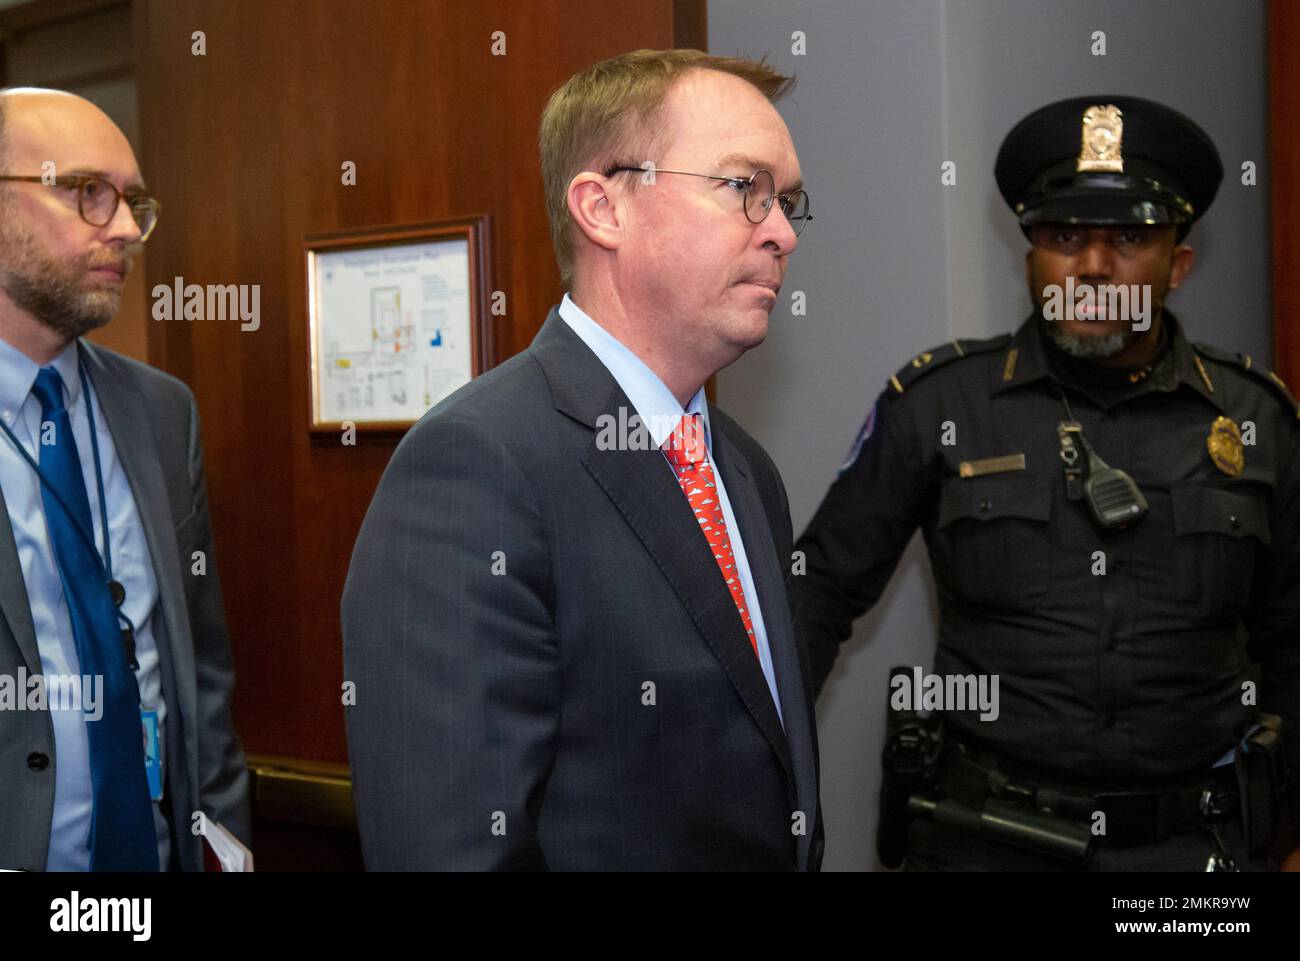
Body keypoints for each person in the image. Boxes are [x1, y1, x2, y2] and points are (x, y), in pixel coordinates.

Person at [343, 49, 822, 870]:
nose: (780, 232)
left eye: (786, 202)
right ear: (604, 208)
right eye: (745, 188)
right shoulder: (476, 465)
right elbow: (450, 847)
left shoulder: (744, 470)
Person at [797, 95, 1298, 871]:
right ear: (1029, 257)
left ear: (1178, 265)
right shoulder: (939, 405)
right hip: (987, 838)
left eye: (1130, 238)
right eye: (1064, 236)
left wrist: (1277, 823)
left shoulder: (1254, 419)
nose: (1094, 266)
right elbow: (815, 596)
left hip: (1191, 850)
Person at [0, 88, 249, 871]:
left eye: (134, 201)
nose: (124, 230)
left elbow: (202, 677)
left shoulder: (159, 412)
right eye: (86, 193)